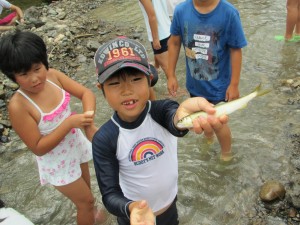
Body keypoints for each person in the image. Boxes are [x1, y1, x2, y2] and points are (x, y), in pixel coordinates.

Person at [92, 36, 229, 225]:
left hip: (169, 207)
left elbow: (176, 120)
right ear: (102, 89)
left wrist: (185, 117)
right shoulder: (105, 138)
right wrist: (131, 208)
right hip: (134, 218)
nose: (126, 90)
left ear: (149, 80)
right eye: (115, 84)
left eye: (136, 79)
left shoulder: (160, 111)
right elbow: (109, 194)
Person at [0, 30, 106, 225]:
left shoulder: (53, 76)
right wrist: (69, 124)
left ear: (44, 62)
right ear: (12, 76)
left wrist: (88, 123)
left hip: (75, 146)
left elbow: (86, 94)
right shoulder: (18, 105)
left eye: (37, 68)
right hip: (56, 161)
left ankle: (89, 218)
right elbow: (38, 147)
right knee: (86, 202)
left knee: (87, 196)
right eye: (24, 74)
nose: (34, 79)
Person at [167, 0, 247, 161]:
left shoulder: (229, 13)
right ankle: (208, 139)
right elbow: (174, 42)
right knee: (202, 120)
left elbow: (235, 49)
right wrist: (171, 75)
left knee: (219, 123)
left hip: (219, 86)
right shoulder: (181, 11)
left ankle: (226, 153)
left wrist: (234, 84)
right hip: (195, 84)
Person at [138, 0, 171, 75]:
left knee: (168, 70)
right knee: (164, 60)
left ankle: (176, 87)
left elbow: (152, 16)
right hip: (168, 28)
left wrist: (155, 39)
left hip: (160, 35)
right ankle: (157, 66)